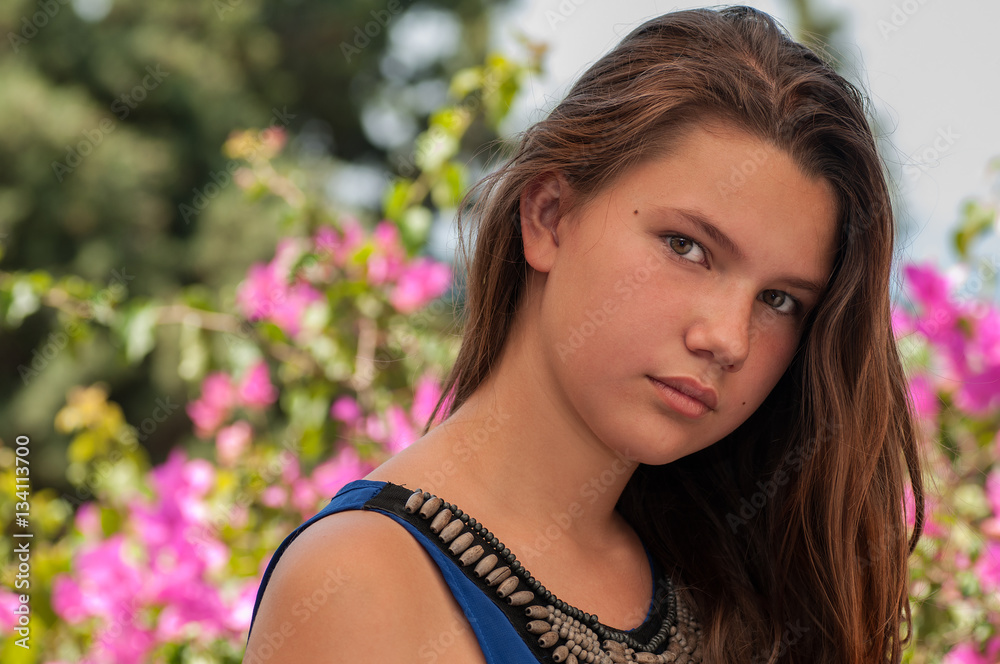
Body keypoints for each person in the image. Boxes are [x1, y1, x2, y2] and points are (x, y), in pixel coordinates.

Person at [244, 5, 925, 663]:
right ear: (548, 216)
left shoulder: (735, 589)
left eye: (778, 300)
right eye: (687, 247)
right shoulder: (361, 584)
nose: (728, 339)